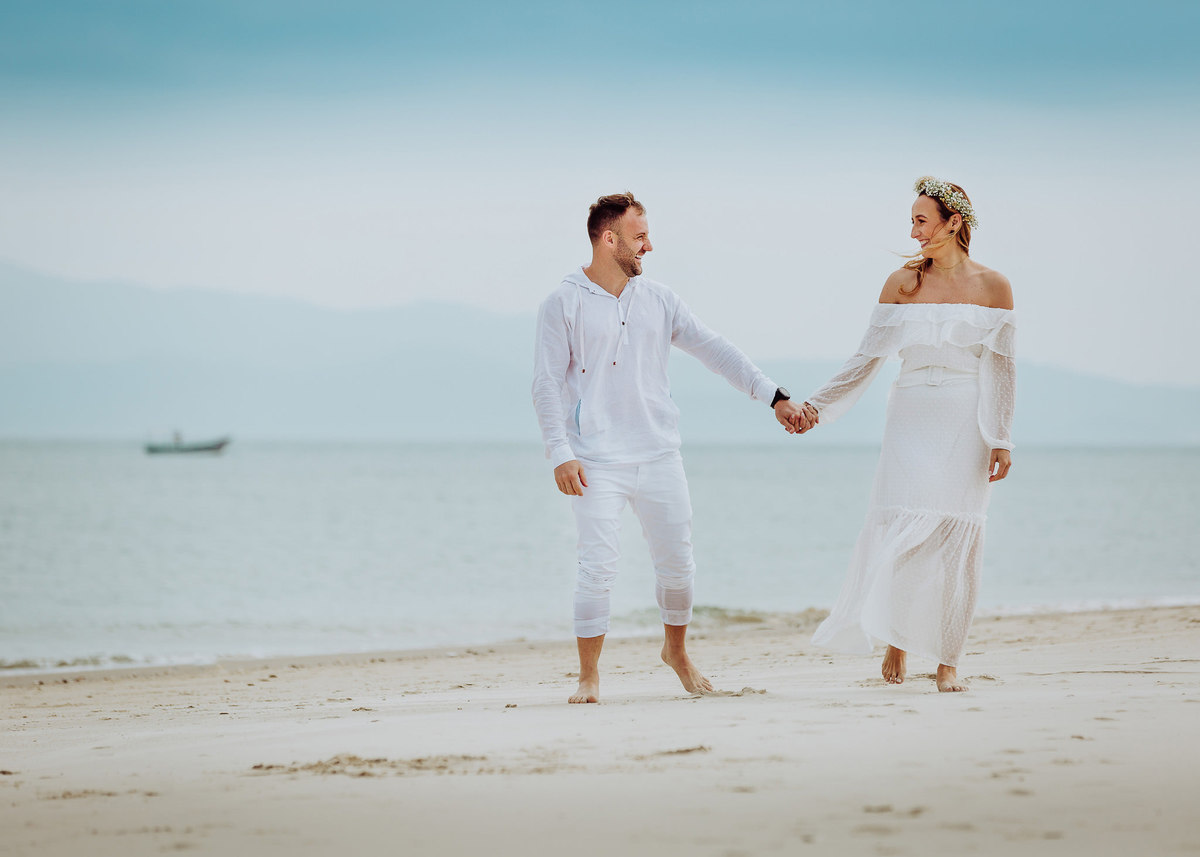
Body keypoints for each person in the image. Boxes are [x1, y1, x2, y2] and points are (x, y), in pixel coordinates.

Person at [532, 192, 815, 704]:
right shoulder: (563, 302)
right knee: (597, 567)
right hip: (594, 460)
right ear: (608, 238)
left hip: (659, 454)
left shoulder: (659, 299)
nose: (650, 245)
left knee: (679, 567)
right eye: (640, 237)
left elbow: (716, 349)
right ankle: (588, 677)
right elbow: (547, 384)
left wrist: (773, 396)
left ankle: (677, 652)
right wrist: (559, 453)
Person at [801, 176, 1015, 693]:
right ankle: (896, 644)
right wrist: (813, 407)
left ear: (954, 223)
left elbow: (1003, 370)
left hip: (966, 419)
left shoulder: (994, 287)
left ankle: (948, 662)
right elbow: (866, 359)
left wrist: (1001, 437)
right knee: (903, 538)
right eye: (913, 220)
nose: (913, 230)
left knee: (957, 542)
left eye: (922, 220)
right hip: (911, 415)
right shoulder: (901, 283)